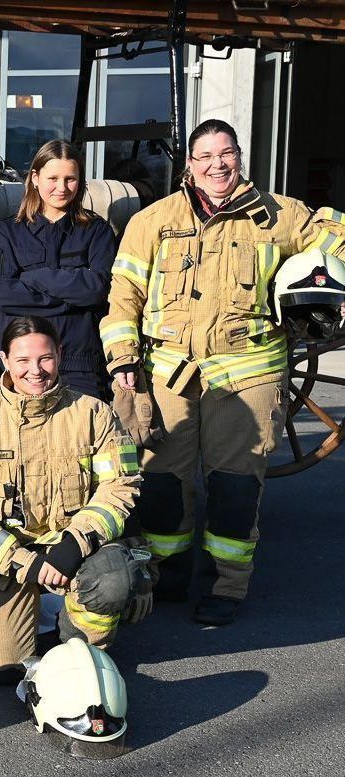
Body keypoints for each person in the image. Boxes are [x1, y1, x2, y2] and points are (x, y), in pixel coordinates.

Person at [99, 118, 345, 625]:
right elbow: (124, 296)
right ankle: (171, 566)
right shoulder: (152, 221)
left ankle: (228, 585)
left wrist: (327, 280)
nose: (217, 165)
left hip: (249, 372)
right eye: (206, 156)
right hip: (168, 372)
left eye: (226, 154)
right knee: (162, 481)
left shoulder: (281, 216)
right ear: (190, 164)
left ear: (239, 156)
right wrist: (123, 357)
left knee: (236, 487)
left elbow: (338, 237)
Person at [0, 315, 141, 684]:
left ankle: (76, 641)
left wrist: (73, 545)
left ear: (60, 355)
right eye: (23, 361)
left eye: (45, 358)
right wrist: (23, 562)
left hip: (72, 551)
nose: (35, 370)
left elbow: (122, 485)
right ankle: (32, 618)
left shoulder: (95, 414)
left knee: (113, 578)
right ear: (4, 360)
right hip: (3, 562)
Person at [0, 140, 115, 398]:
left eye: (70, 179)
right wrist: (71, 297)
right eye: (53, 178)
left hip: (79, 361)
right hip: (22, 364)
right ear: (35, 178)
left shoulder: (96, 230)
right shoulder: (8, 231)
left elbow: (97, 291)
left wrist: (33, 278)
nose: (62, 188)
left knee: (82, 435)